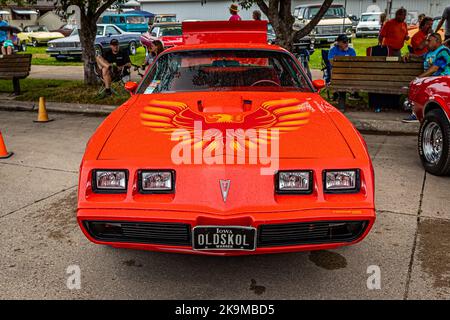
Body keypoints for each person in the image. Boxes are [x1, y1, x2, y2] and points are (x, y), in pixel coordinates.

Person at [403, 33, 450, 122]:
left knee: (418, 86)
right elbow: (420, 58)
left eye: (429, 40)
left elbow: (435, 68)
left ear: (438, 41)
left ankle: (416, 114)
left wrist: (419, 78)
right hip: (431, 79)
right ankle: (417, 113)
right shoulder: (430, 52)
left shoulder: (443, 51)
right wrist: (410, 55)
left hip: (442, 80)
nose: (426, 43)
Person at [328, 34, 360, 104]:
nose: (346, 44)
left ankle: (351, 93)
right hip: (337, 72)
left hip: (349, 72)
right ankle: (339, 93)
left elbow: (354, 64)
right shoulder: (333, 50)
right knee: (333, 70)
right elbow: (332, 63)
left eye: (347, 42)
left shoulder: (351, 51)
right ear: (339, 43)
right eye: (344, 42)